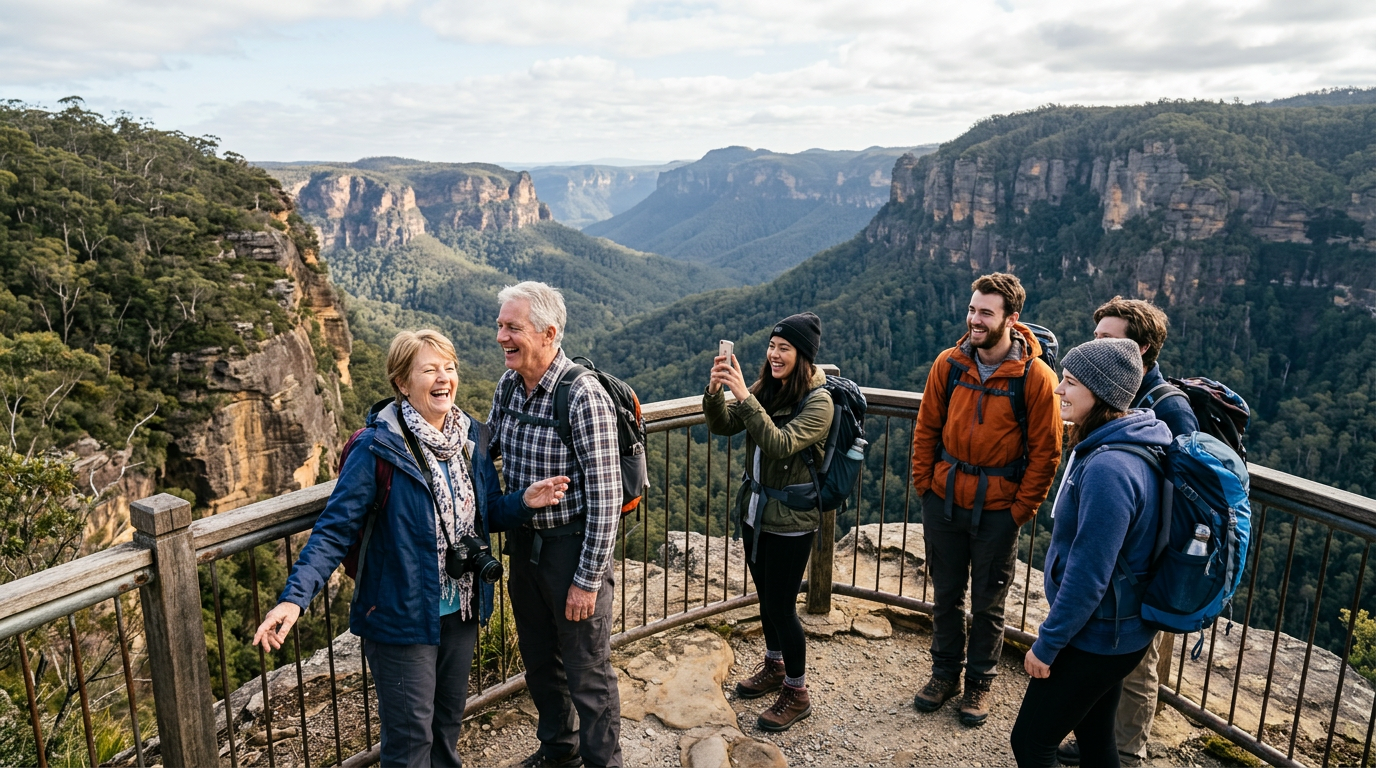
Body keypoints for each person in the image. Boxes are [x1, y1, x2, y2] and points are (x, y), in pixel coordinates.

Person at [253, 330, 570, 768]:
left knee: (445, 729)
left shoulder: (471, 439)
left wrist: (522, 502)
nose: (444, 378)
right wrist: (294, 599)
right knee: (408, 743)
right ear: (402, 382)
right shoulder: (377, 446)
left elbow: (485, 513)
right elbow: (334, 530)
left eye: (449, 368)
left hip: (460, 609)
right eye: (429, 370)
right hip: (400, 616)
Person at [1009, 337, 1173, 768]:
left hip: (1097, 637)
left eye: (1070, 382)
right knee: (1098, 740)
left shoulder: (1109, 468)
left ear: (1100, 394)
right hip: (1120, 633)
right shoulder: (1133, 443)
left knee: (1030, 742)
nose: (1058, 391)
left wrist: (1047, 645)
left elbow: (1089, 574)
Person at [909, 272, 1063, 727]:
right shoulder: (949, 364)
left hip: (998, 509)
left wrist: (1020, 510)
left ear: (1011, 320)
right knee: (946, 594)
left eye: (986, 313)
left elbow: (1047, 452)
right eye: (973, 309)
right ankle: (943, 676)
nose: (974, 320)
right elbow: (926, 429)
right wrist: (926, 487)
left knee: (988, 602)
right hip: (945, 500)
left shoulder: (1036, 379)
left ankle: (979, 683)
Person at [1058, 298, 1200, 766]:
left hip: (1139, 572)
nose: (1096, 345)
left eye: (1107, 340)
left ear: (1139, 350)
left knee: (1136, 667)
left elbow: (1178, 498)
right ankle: (1101, 742)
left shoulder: (1167, 407)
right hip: (1114, 570)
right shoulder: (1117, 400)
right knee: (1110, 671)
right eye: (1096, 337)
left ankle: (1126, 749)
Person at [488, 281, 622, 768]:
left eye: (512, 327)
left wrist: (586, 582)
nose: (501, 335)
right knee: (541, 662)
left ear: (548, 333)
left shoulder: (582, 395)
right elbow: (488, 449)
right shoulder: (509, 386)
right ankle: (558, 751)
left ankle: (603, 763)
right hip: (525, 548)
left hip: (571, 550)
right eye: (500, 325)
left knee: (587, 673)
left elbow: (607, 498)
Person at [703, 312, 833, 732]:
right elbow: (723, 425)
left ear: (804, 355)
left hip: (792, 519)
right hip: (756, 511)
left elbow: (778, 445)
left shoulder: (819, 402)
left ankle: (797, 692)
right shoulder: (767, 389)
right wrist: (716, 392)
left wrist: (744, 395)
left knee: (781, 605)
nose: (775, 355)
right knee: (766, 598)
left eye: (785, 348)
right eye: (772, 346)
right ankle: (775, 666)